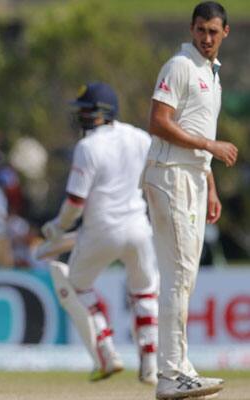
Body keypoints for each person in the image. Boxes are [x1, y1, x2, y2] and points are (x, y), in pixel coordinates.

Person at [141, 2, 237, 399]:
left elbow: (195, 125)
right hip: (169, 175)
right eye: (201, 30)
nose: (207, 38)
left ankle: (179, 368)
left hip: (192, 177)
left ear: (225, 32)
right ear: (192, 29)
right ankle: (171, 374)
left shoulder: (211, 75)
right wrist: (210, 147)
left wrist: (210, 183)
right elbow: (158, 121)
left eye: (214, 31)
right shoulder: (180, 65)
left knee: (184, 278)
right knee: (179, 277)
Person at [41, 82, 159, 384]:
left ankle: (107, 351)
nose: (82, 118)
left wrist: (57, 227)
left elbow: (75, 203)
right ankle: (150, 364)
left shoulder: (88, 147)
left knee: (77, 287)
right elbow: (154, 181)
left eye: (87, 112)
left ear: (103, 114)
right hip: (138, 227)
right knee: (145, 292)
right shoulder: (140, 137)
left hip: (101, 230)